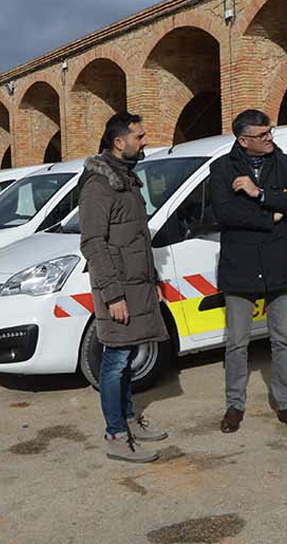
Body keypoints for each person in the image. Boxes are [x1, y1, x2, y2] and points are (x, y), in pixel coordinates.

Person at [210, 109, 287, 434]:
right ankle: (234, 405)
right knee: (237, 343)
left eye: (270, 132)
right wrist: (272, 214)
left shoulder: (284, 163)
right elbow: (225, 214)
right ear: (243, 140)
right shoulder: (222, 169)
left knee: (282, 339)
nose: (270, 138)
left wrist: (260, 194)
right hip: (240, 267)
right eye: (262, 135)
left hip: (280, 263)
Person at [79, 111, 169, 463]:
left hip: (138, 286)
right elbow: (93, 244)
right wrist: (113, 294)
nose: (144, 141)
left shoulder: (126, 179)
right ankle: (115, 435)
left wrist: (154, 281)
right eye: (139, 137)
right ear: (120, 143)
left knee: (129, 356)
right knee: (115, 360)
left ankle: (129, 419)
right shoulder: (99, 185)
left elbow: (136, 239)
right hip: (118, 291)